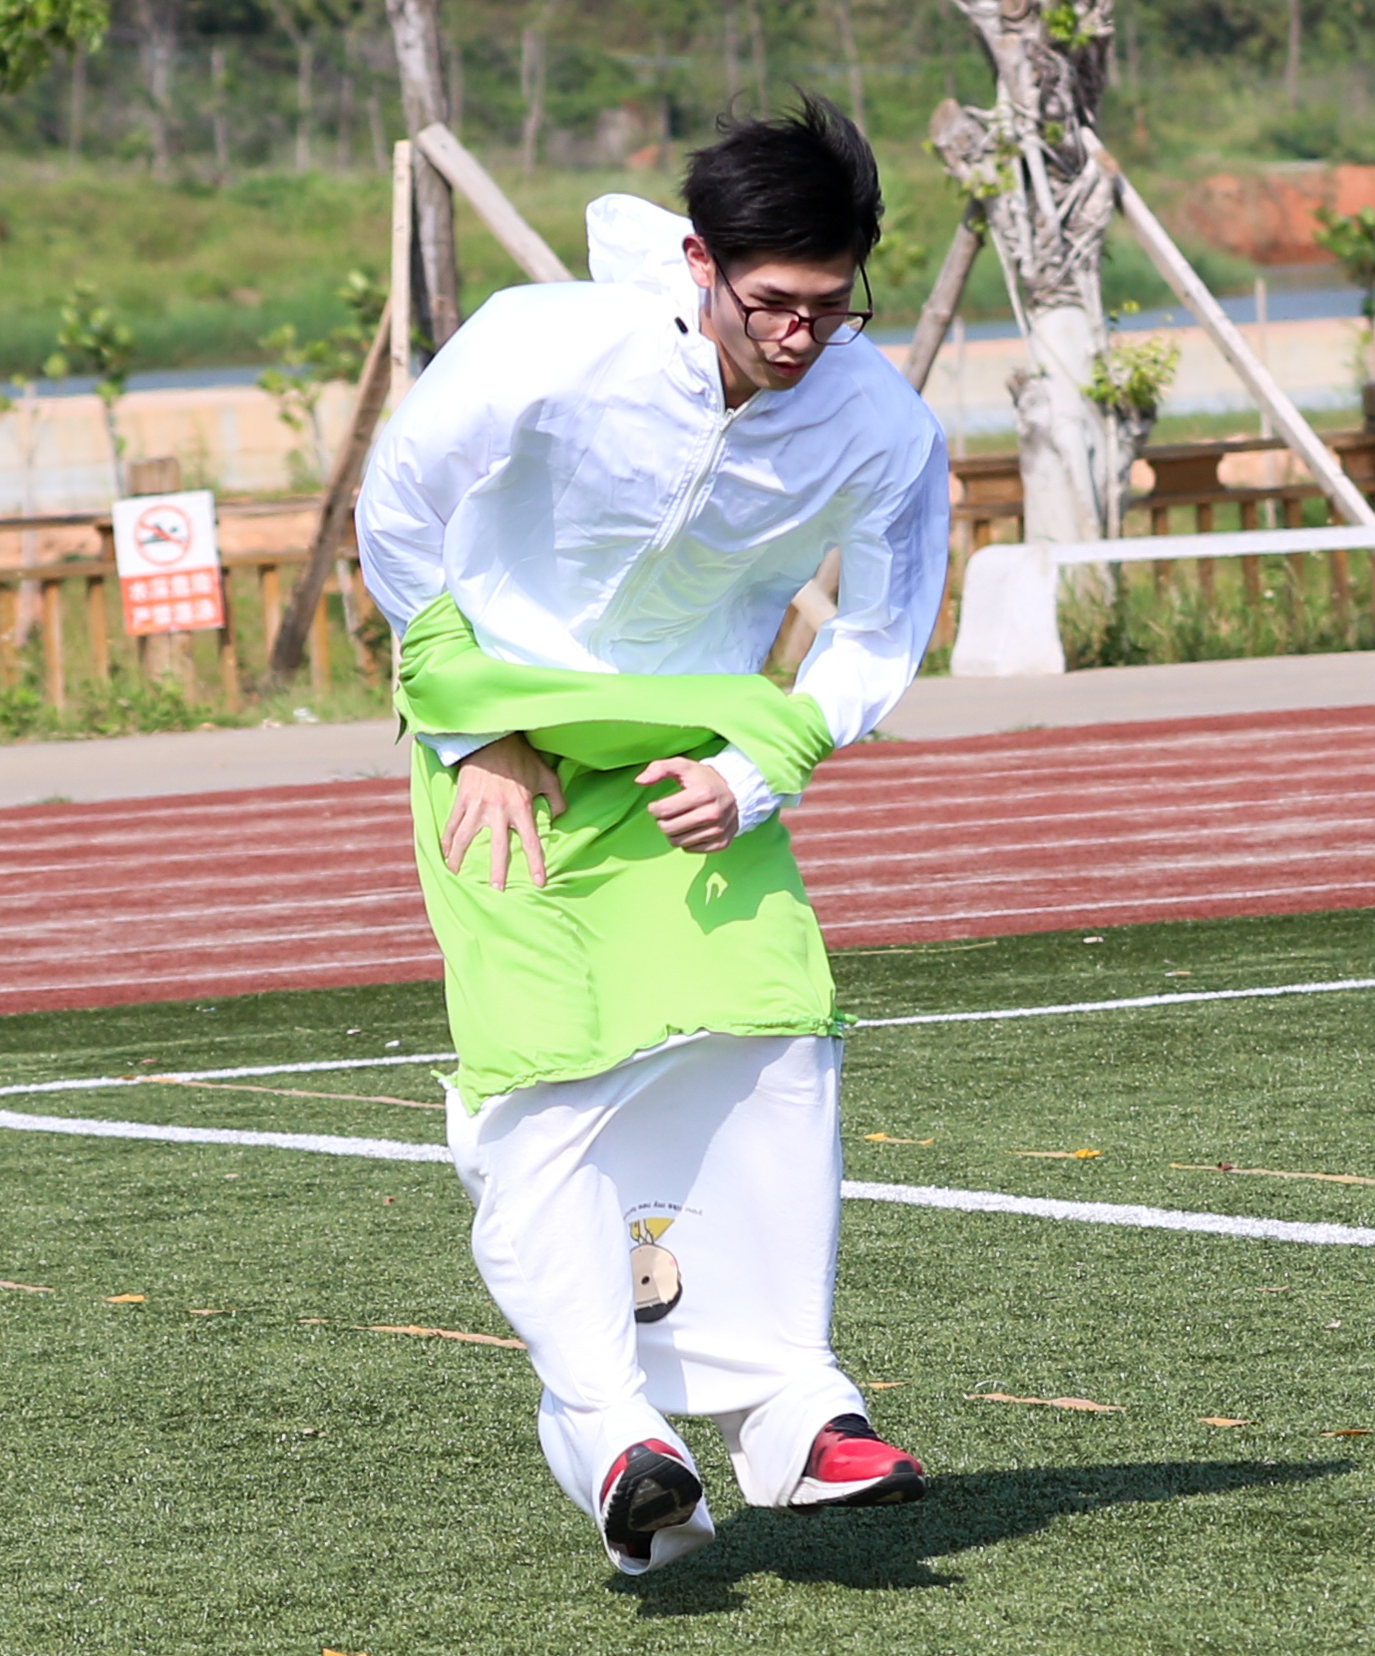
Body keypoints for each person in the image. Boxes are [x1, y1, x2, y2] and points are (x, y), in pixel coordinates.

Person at [356, 95, 950, 1576]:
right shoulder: (546, 343)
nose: (803, 335)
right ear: (701, 262)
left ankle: (793, 1410)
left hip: (699, 759)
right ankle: (618, 1433)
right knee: (540, 1089)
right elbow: (400, 510)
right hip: (507, 762)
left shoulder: (881, 421)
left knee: (780, 1036)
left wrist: (764, 766)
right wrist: (471, 729)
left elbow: (881, 629)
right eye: (774, 303)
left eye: (832, 304)